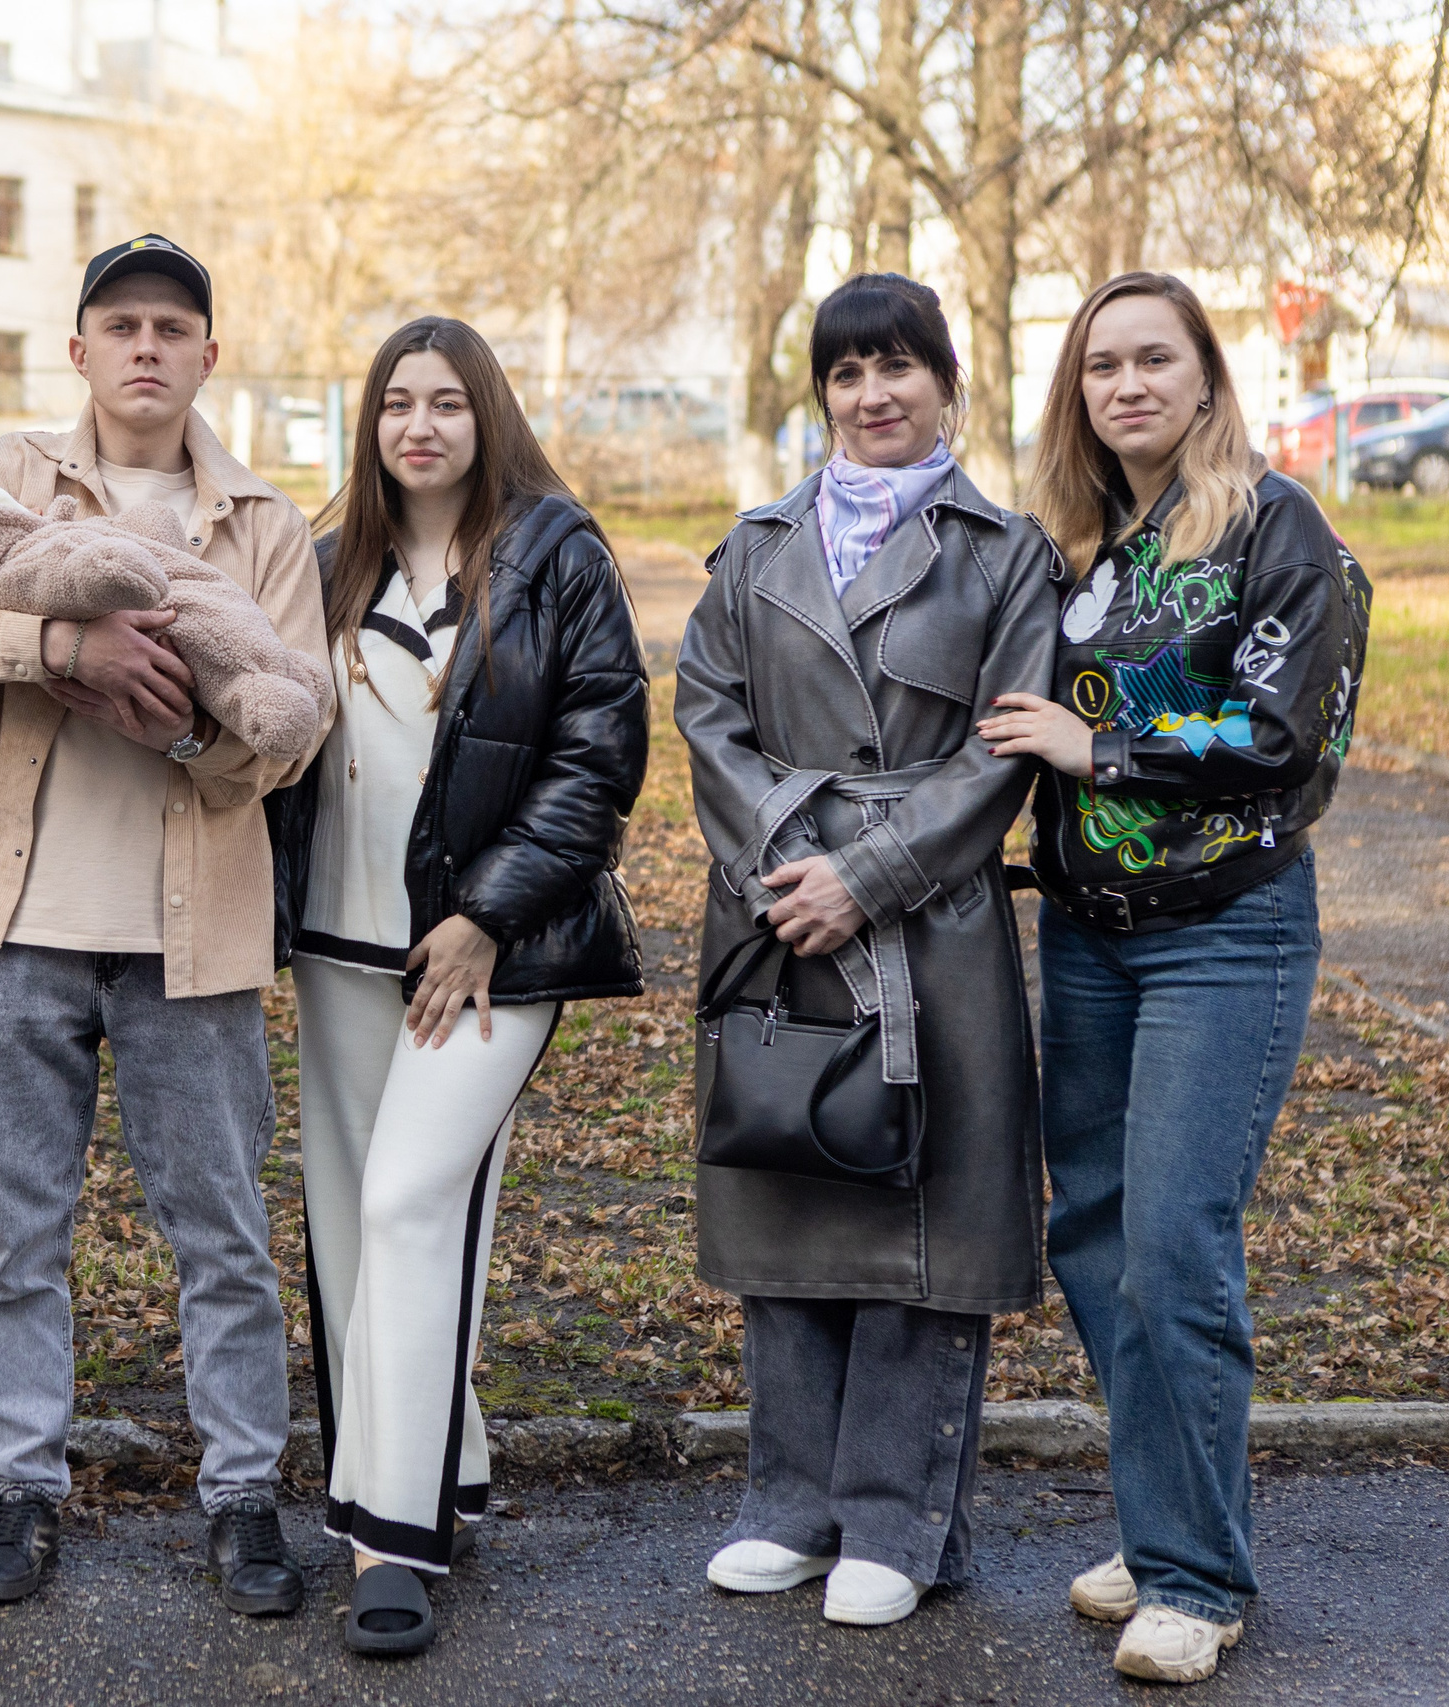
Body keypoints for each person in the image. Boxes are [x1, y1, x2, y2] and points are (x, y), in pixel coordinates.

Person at [0, 234, 331, 1616]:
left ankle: (245, 1496)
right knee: (19, 1229)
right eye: (121, 324)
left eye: (172, 327)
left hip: (195, 938)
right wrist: (59, 651)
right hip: (16, 923)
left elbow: (296, 723)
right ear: (78, 349)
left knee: (224, 1230)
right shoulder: (8, 478)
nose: (146, 346)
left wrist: (190, 725)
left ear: (208, 353)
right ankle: (23, 1486)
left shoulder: (267, 525)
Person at [978, 271, 1369, 1686]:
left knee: (1173, 1247)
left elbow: (1286, 735)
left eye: (1157, 360)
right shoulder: (1084, 547)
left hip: (1227, 930)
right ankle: (1163, 1532)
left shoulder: (1277, 528)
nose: (1129, 385)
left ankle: (1198, 1578)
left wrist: (1108, 755)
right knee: (1093, 1235)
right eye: (1102, 368)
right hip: (1087, 934)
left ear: (1207, 377)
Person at [674, 273, 1060, 1629]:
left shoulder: (1007, 554)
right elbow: (706, 710)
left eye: (899, 366)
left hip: (929, 921)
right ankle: (790, 1502)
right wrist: (791, 862)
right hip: (778, 904)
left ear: (946, 383)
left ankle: (900, 1518)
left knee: (919, 1216)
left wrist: (871, 872)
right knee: (789, 1176)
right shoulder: (757, 543)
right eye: (847, 372)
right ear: (823, 393)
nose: (873, 393)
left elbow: (1004, 749)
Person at [270, 317, 647, 1657]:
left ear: (488, 412)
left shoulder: (557, 554)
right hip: (337, 942)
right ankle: (449, 1456)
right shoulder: (323, 566)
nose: (419, 425)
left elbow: (599, 758)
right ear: (367, 425)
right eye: (395, 404)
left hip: (490, 953)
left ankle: (392, 1533)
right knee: (348, 1220)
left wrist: (488, 914)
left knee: (413, 1197)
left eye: (445, 402)